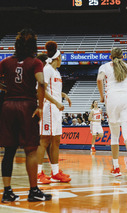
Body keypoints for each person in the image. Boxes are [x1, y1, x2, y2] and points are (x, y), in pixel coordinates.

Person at [0, 28, 52, 202]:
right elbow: (41, 82)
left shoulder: (6, 62)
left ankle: (7, 192)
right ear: (33, 46)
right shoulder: (36, 62)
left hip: (8, 105)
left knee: (9, 151)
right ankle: (34, 191)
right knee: (30, 150)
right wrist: (40, 107)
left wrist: (5, 88)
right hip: (27, 106)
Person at [97, 47, 127, 180]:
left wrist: (102, 97)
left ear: (110, 57)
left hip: (112, 99)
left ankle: (116, 168)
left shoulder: (105, 66)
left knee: (114, 135)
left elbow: (99, 80)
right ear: (123, 56)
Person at [37, 41, 72, 184]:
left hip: (56, 110)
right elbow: (41, 90)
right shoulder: (47, 69)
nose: (62, 60)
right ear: (57, 58)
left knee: (56, 141)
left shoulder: (56, 72)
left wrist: (63, 95)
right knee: (44, 141)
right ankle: (38, 174)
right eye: (61, 57)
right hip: (48, 109)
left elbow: (53, 90)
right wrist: (56, 102)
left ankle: (55, 172)